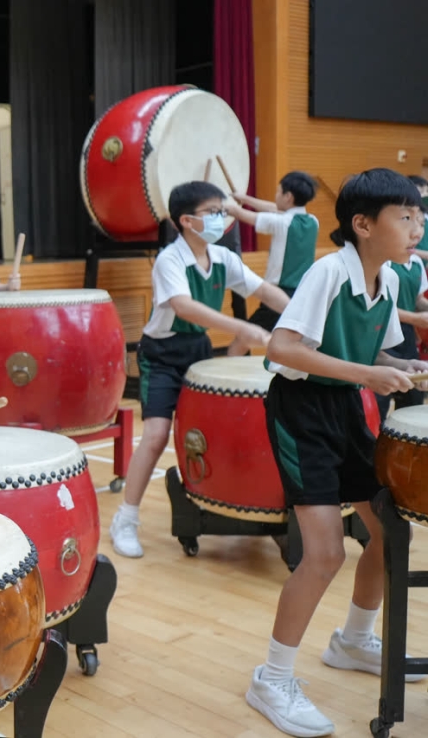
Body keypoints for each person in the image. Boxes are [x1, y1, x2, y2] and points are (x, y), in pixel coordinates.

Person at [245, 169, 428, 738]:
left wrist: (404, 366)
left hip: (346, 408)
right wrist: (367, 374)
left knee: (389, 533)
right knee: (324, 554)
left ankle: (352, 640)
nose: (418, 227)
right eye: (406, 216)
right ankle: (272, 678)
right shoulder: (327, 272)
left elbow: (376, 354)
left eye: (420, 217)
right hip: (301, 412)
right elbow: (282, 347)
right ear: (363, 225)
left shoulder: (389, 279)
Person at [108, 181, 290, 559]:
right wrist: (240, 327)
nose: (223, 218)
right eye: (214, 212)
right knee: (156, 435)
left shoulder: (223, 258)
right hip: (161, 356)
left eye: (223, 210)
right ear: (187, 221)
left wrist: (301, 315)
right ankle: (125, 518)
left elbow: (264, 291)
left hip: (198, 350)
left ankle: (236, 502)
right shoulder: (169, 260)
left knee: (219, 430)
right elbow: (184, 306)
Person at [226, 172, 319, 332]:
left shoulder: (281, 223)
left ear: (288, 197)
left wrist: (221, 205)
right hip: (303, 293)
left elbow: (241, 214)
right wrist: (245, 199)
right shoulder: (313, 221)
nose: (276, 196)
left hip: (278, 294)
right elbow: (274, 208)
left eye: (278, 192)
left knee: (246, 336)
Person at [374, 200, 428, 421]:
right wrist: (417, 318)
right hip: (383, 335)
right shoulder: (385, 264)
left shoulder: (416, 263)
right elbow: (381, 308)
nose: (417, 231)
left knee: (413, 402)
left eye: (421, 223)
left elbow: (417, 300)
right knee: (379, 402)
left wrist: (421, 313)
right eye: (408, 220)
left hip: (406, 338)